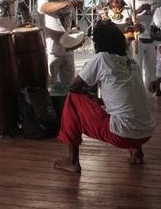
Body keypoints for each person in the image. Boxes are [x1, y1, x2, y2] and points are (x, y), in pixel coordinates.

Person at [53, 21, 155, 173]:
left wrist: (86, 95)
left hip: (123, 136)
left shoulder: (101, 58)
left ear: (98, 44)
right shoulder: (132, 62)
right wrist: (97, 99)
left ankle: (72, 160)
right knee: (131, 108)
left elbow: (73, 87)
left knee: (72, 99)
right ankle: (137, 152)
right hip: (146, 132)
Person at [123, 0, 161, 87]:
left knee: (152, 70)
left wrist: (152, 12)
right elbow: (123, 15)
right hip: (137, 38)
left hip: (153, 38)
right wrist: (138, 11)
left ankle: (150, 97)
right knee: (136, 69)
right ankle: (138, 94)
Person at [37, 0, 81, 86]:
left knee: (68, 84)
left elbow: (73, 24)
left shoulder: (66, 0)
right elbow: (45, 8)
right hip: (51, 50)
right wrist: (65, 4)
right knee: (50, 83)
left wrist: (77, 37)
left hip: (67, 50)